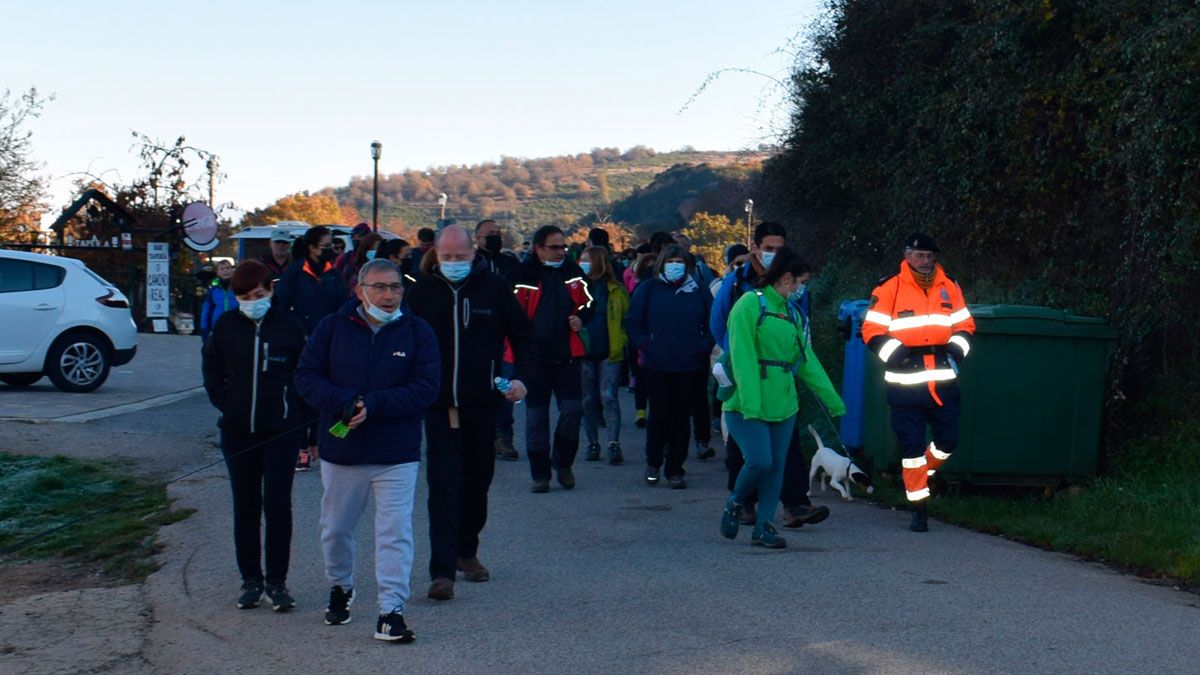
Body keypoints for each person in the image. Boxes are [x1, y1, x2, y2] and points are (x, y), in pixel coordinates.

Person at [294, 258, 440, 642]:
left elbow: (426, 388)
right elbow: (306, 376)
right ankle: (340, 585)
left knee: (395, 532)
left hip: (397, 453)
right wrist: (344, 401)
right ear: (359, 290)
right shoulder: (331, 328)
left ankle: (391, 610)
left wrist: (373, 405)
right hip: (344, 452)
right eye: (379, 287)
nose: (388, 294)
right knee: (336, 530)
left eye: (395, 287)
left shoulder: (418, 332)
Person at [407, 225, 535, 601]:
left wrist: (521, 379)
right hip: (438, 405)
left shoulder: (494, 289)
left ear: (473, 254)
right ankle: (441, 570)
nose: (453, 264)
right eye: (446, 258)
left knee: (477, 483)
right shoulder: (423, 292)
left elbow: (524, 336)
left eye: (460, 257)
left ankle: (467, 550)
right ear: (436, 255)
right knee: (443, 487)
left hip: (482, 403)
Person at [719, 247, 846, 549]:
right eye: (800, 282)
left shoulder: (791, 313)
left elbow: (806, 361)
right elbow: (742, 356)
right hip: (746, 402)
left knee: (776, 467)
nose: (801, 289)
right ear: (787, 279)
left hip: (784, 402)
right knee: (760, 461)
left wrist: (833, 400)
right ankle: (735, 502)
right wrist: (751, 403)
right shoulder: (749, 304)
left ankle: (764, 527)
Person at [201, 259, 307, 612]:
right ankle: (250, 579)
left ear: (271, 290)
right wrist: (227, 405)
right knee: (245, 506)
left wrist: (299, 420)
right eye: (244, 296)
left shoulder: (290, 327)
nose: (252, 300)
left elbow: (303, 377)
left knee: (277, 504)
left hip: (280, 431)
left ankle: (278, 581)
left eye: (258, 294)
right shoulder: (226, 326)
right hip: (237, 432)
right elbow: (212, 371)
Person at [861, 232, 975, 532]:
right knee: (911, 450)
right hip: (905, 383)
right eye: (919, 255)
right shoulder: (889, 288)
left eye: (930, 256)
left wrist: (956, 348)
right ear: (907, 256)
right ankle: (918, 508)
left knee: (948, 441)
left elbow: (965, 325)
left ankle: (922, 475)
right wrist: (895, 354)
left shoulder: (949, 286)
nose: (925, 262)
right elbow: (871, 330)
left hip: (942, 382)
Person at [510, 224, 594, 493]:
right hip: (534, 361)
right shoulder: (521, 275)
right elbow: (508, 313)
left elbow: (591, 301)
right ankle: (540, 474)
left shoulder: (573, 272)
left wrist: (581, 317)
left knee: (572, 411)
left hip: (568, 357)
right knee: (536, 419)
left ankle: (563, 462)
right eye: (555, 247)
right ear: (539, 248)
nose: (561, 252)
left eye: (563, 247)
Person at [624, 244, 714, 488]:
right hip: (656, 364)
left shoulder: (699, 290)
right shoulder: (648, 289)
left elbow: (714, 322)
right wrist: (645, 344)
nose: (675, 266)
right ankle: (653, 462)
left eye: (680, 262)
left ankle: (675, 468)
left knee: (682, 417)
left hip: (689, 364)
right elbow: (632, 322)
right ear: (662, 263)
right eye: (671, 261)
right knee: (659, 415)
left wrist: (702, 346)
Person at [274, 226, 349, 471]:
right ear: (311, 247)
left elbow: (343, 309)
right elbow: (281, 308)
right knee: (298, 398)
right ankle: (301, 448)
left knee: (323, 396)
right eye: (324, 246)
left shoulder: (334, 275)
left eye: (331, 246)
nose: (329, 250)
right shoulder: (294, 273)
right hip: (299, 346)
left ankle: (321, 443)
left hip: (328, 345)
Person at [471, 219, 521, 461]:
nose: (495, 237)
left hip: (505, 337)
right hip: (477, 337)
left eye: (497, 233)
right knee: (480, 385)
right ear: (477, 238)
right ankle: (483, 435)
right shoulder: (471, 264)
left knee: (505, 382)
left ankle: (504, 434)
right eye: (489, 234)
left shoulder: (510, 263)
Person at [578, 245, 630, 465]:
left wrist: (624, 340)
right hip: (583, 352)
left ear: (598, 261)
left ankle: (613, 443)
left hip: (610, 351)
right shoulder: (575, 289)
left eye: (585, 259)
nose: (581, 263)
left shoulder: (616, 290)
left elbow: (628, 318)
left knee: (608, 397)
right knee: (587, 400)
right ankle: (592, 443)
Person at [199, 259, 235, 345]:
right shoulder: (213, 291)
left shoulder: (239, 287)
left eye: (228, 268)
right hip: (217, 328)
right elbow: (206, 312)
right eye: (222, 269)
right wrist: (204, 329)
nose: (225, 270)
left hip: (236, 326)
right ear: (217, 273)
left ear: (232, 270)